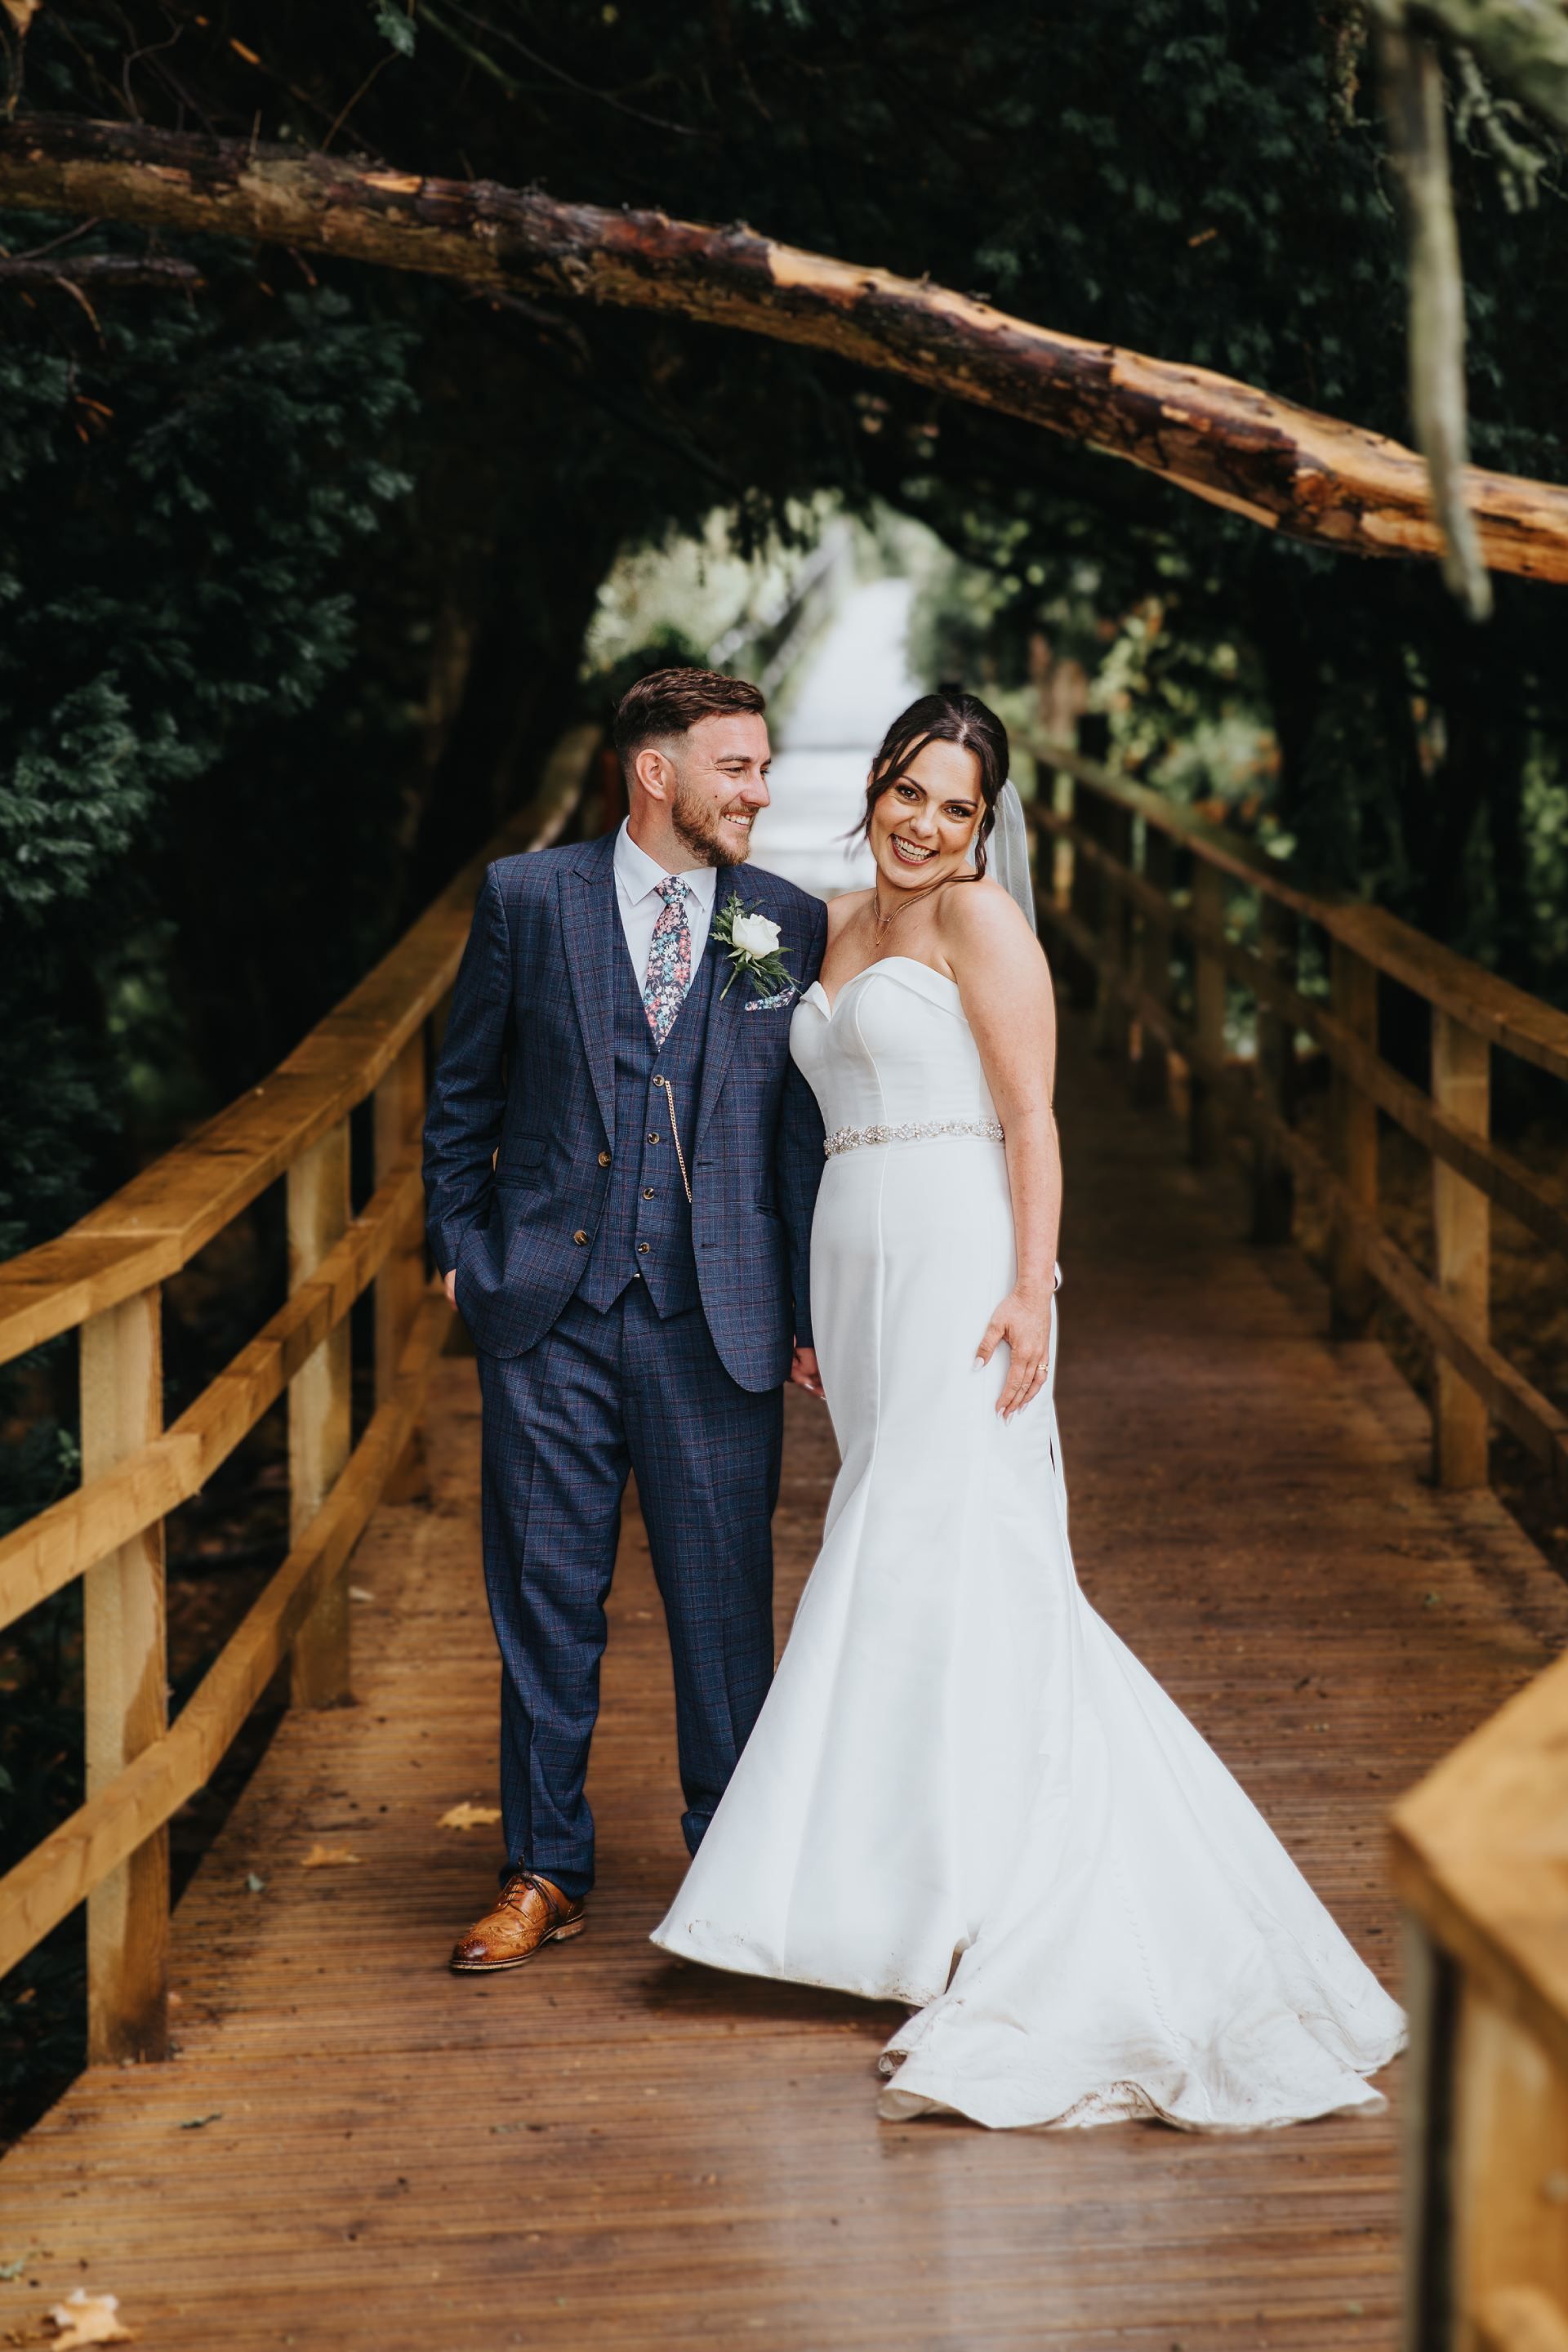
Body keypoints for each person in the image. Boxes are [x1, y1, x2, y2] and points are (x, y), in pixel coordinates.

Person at [652, 689, 1405, 2131]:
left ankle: (972, 1910)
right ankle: (912, 1893)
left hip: (955, 1258)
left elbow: (1034, 1116)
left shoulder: (979, 926)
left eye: (958, 807)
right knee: (924, 1564)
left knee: (934, 1544)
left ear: (984, 824)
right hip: (854, 1271)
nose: (927, 825)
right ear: (874, 785)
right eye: (911, 793)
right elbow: (753, 1070)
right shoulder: (819, 924)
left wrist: (1029, 1290)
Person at [423, 667, 827, 1973]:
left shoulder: (784, 921)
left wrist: (810, 1313)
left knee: (723, 1606)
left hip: (717, 1318)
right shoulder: (527, 900)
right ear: (657, 773)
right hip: (548, 1310)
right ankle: (544, 1869)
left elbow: (800, 1141)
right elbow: (463, 1089)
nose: (760, 790)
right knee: (546, 1604)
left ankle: (732, 1866)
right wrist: (461, 1252)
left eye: (763, 767)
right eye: (739, 767)